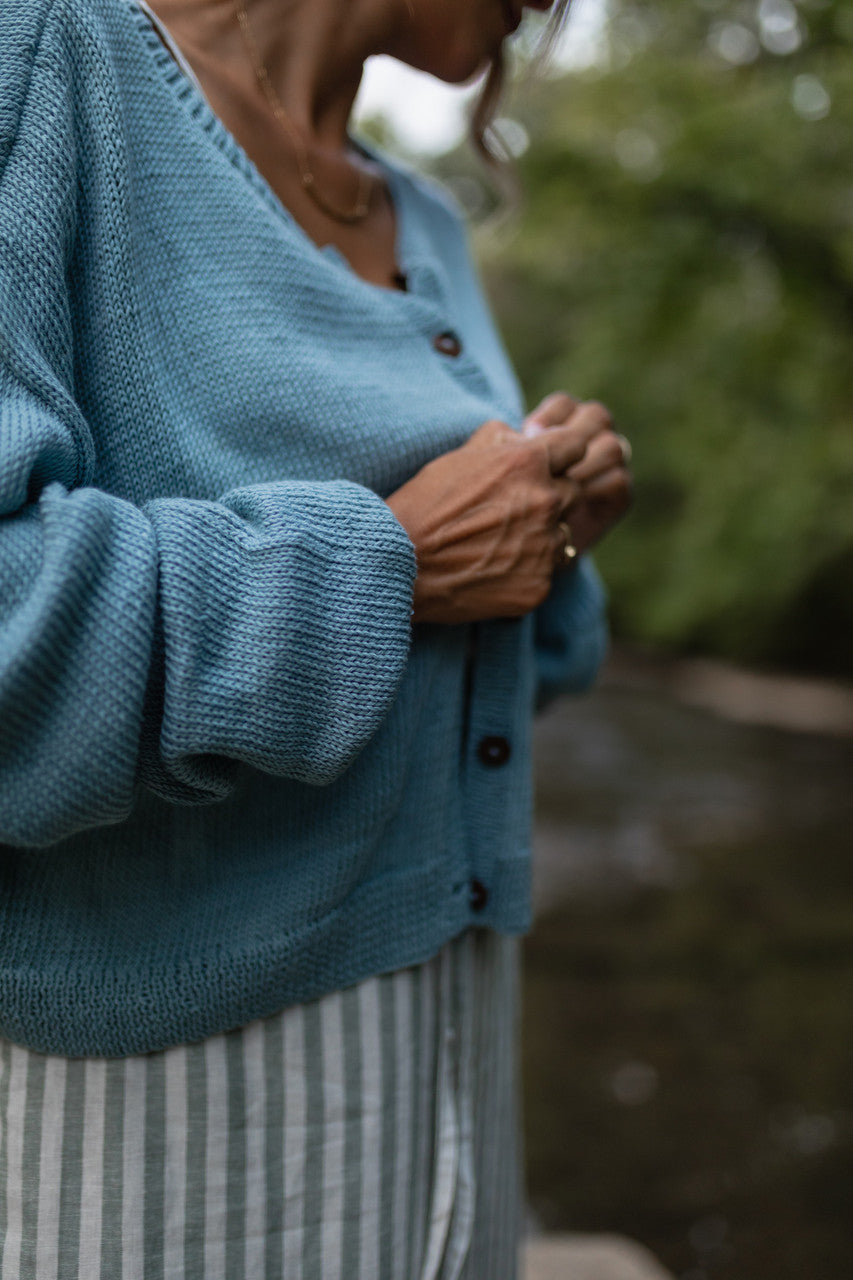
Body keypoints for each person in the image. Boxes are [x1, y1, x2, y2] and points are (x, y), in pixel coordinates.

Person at [0, 0, 631, 1275]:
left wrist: (549, 535)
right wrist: (385, 567)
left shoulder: (429, 222)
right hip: (169, 1137)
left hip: (453, 1075)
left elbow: (501, 669)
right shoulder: (42, 63)